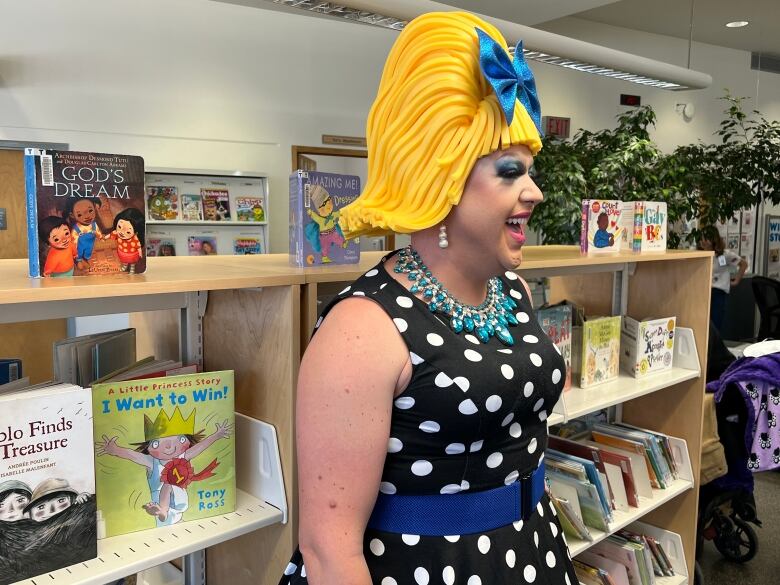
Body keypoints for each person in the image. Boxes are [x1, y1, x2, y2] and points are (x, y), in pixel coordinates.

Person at [281, 12, 575, 585]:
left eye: (530, 172)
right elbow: (326, 548)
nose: (534, 192)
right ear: (440, 178)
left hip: (532, 551)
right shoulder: (363, 328)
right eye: (509, 171)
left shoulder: (511, 292)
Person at [697, 226, 748, 332]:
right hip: (702, 292)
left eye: (706, 238)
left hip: (718, 292)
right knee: (702, 324)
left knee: (715, 324)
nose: (703, 241)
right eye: (701, 238)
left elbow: (743, 264)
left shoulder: (725, 255)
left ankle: (714, 347)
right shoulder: (698, 254)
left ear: (713, 239)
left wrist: (736, 281)